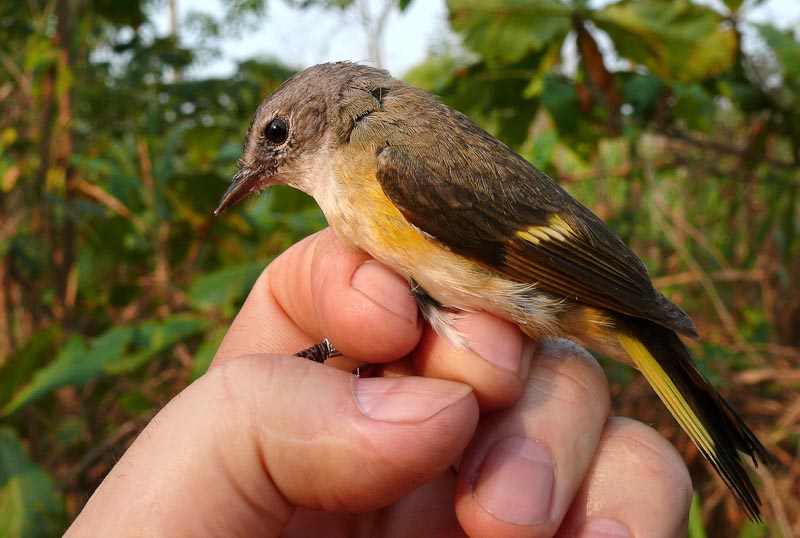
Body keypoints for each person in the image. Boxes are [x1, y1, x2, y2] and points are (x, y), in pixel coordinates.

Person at [65, 229, 692, 537]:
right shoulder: (361, 197)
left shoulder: (389, 158)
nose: (258, 166)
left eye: (276, 136)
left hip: (565, 284)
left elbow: (507, 251)